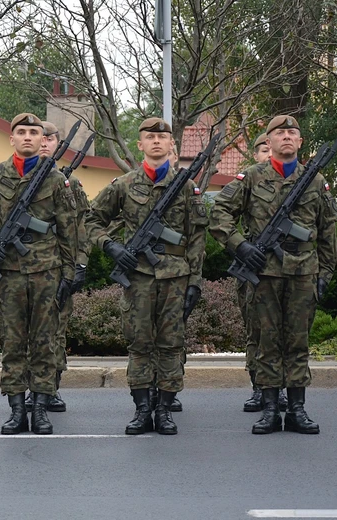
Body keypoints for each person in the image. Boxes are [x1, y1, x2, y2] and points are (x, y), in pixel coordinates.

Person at [209, 115, 337, 435]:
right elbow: (219, 213)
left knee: (297, 342)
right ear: (269, 142)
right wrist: (240, 246)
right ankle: (269, 409)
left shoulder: (314, 180)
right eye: (279, 133)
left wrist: (325, 272)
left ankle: (296, 409)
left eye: (292, 132)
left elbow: (328, 230)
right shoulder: (251, 177)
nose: (286, 137)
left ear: (300, 141)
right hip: (264, 274)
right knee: (267, 342)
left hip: (303, 274)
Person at [0, 113, 78, 435]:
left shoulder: (56, 179)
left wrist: (70, 273)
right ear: (11, 139)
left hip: (47, 272)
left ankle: (40, 410)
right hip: (9, 273)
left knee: (45, 343)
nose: (27, 137)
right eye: (20, 132)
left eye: (33, 133)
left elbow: (69, 230)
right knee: (12, 343)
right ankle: (16, 410)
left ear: (42, 140)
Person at [85, 117, 207, 435]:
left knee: (171, 344)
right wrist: (111, 247)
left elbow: (196, 238)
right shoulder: (124, 185)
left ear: (170, 144)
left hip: (176, 278)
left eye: (162, 137)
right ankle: (142, 410)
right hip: (138, 276)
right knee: (140, 344)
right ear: (140, 144)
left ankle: (164, 410)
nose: (156, 141)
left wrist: (195, 280)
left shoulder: (187, 187)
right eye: (149, 137)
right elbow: (92, 219)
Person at [27, 121, 90, 413]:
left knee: (55, 331)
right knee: (24, 332)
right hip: (23, 267)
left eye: (49, 139)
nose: (43, 143)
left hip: (56, 268)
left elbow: (80, 228)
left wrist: (79, 264)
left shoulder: (69, 183)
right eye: (40, 138)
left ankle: (51, 388)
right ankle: (31, 388)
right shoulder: (19, 179)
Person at [238, 132, 289, 413]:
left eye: (271, 149)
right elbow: (223, 217)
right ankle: (259, 387)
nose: (268, 154)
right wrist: (242, 248)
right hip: (254, 268)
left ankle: (279, 390)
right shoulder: (249, 181)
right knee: (257, 332)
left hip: (288, 269)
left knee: (283, 331)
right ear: (255, 155)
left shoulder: (295, 181)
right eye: (262, 150)